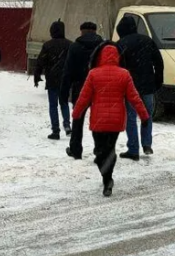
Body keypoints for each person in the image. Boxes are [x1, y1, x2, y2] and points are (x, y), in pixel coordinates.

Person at [72, 42, 151, 197]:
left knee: (100, 151)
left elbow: (83, 97)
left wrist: (76, 113)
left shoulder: (93, 74)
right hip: (116, 121)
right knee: (109, 149)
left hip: (98, 121)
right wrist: (144, 115)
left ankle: (106, 178)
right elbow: (134, 97)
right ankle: (108, 178)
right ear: (117, 57)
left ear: (101, 57)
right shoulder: (124, 74)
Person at [115, 15, 164, 160]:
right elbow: (158, 62)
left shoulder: (120, 44)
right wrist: (158, 80)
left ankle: (133, 149)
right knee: (146, 115)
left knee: (130, 117)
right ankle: (147, 144)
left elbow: (118, 67)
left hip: (130, 87)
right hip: (148, 85)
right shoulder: (147, 40)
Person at [61, 22, 104, 160]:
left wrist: (64, 92)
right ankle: (100, 150)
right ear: (95, 31)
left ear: (82, 31)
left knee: (78, 119)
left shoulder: (75, 47)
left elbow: (68, 71)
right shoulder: (103, 47)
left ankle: (75, 149)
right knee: (98, 120)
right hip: (99, 88)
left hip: (80, 88)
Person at [34, 20, 73, 140]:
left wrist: (37, 75)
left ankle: (55, 130)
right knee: (64, 103)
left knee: (53, 105)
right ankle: (67, 125)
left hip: (52, 78)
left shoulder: (47, 45)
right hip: (65, 78)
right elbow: (73, 62)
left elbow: (40, 62)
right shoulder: (70, 44)